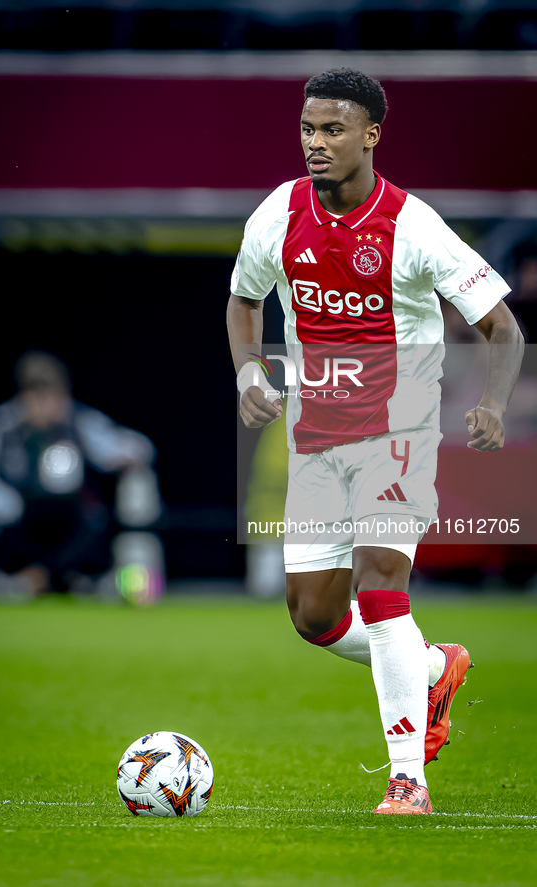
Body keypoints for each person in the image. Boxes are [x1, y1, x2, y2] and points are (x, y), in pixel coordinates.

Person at [227, 69, 524, 814]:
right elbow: (242, 299)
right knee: (315, 618)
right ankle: (432, 666)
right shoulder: (278, 212)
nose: (315, 143)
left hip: (397, 430)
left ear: (370, 135)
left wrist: (490, 401)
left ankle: (407, 780)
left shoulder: (413, 225)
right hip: (316, 437)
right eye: (306, 129)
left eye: (332, 129)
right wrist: (247, 375)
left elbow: (500, 324)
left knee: (380, 587)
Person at [0, 351, 159, 598]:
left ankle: (45, 578)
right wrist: (5, 504)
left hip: (66, 520)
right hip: (18, 519)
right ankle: (18, 577)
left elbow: (137, 447)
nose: (45, 404)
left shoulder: (77, 420)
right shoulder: (1, 425)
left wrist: (123, 457)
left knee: (91, 520)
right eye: (37, 396)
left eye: (53, 395)